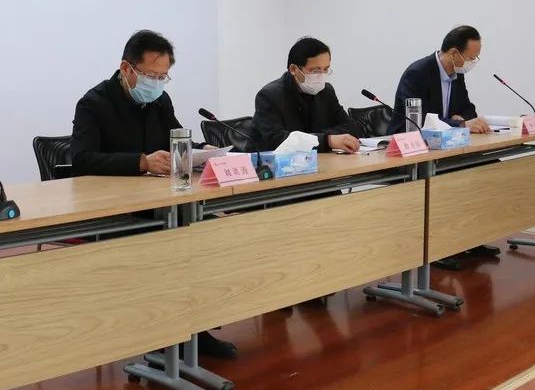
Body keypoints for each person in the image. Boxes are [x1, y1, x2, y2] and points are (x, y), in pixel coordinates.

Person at [70, 30, 237, 360]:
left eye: (163, 77)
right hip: (117, 210)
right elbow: (82, 160)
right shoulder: (94, 103)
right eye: (151, 76)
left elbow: (175, 138)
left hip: (161, 202)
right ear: (126, 68)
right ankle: (163, 336)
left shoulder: (160, 100)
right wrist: (141, 161)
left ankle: (195, 329)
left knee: (208, 234)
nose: (157, 83)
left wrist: (203, 150)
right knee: (168, 246)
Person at [388, 25, 498, 267]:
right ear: (454, 53)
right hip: (414, 146)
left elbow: (467, 108)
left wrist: (462, 119)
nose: (473, 63)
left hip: (445, 145)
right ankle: (439, 247)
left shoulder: (457, 75)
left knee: (489, 166)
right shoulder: (418, 72)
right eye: (471, 57)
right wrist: (457, 122)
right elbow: (418, 119)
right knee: (449, 178)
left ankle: (472, 237)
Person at [252, 37, 363, 153]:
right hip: (268, 162)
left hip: (315, 158)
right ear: (293, 69)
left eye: (325, 69)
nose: (321, 76)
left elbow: (351, 126)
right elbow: (275, 140)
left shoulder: (326, 91)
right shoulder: (269, 95)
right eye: (315, 71)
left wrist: (318, 139)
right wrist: (326, 140)